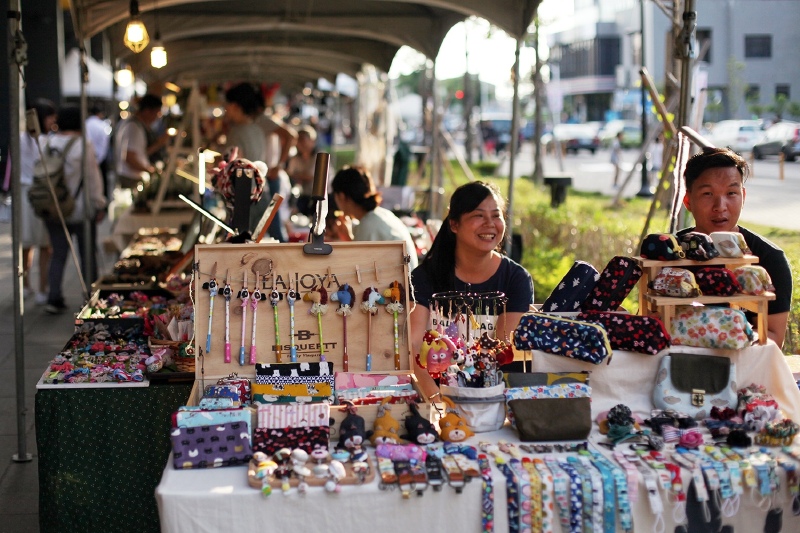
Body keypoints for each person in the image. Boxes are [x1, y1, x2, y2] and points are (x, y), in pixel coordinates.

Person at [409, 181, 534, 398]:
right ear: (454, 224)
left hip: (492, 395)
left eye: (496, 215)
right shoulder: (424, 277)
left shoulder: (516, 279)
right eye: (478, 215)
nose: (490, 224)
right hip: (435, 397)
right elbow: (413, 348)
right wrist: (438, 402)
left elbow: (503, 352)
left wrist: (476, 401)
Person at [678, 146, 793, 348]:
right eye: (707, 194)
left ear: (743, 196)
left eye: (731, 193)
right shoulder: (670, 252)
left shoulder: (769, 258)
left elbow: (773, 337)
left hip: (744, 363)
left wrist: (719, 340)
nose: (720, 206)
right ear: (688, 201)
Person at [42, 106, 107, 314]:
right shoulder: (83, 145)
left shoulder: (48, 143)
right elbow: (93, 178)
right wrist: (99, 203)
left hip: (54, 208)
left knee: (58, 253)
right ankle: (91, 297)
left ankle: (53, 297)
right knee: (87, 254)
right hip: (80, 208)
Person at [329, 166, 419, 270]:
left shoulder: (368, 225)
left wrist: (347, 239)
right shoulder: (382, 214)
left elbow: (357, 270)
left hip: (401, 280)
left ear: (341, 196)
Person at [20, 98, 55, 304]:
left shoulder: (21, 139)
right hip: (41, 195)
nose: (53, 121)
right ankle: (41, 288)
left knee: (28, 244)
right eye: (50, 117)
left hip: (25, 194)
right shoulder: (47, 141)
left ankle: (27, 286)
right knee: (43, 244)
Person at [114, 93, 170, 189]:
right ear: (147, 111)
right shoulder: (133, 127)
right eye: (156, 113)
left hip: (132, 176)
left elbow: (140, 152)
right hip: (131, 178)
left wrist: (159, 144)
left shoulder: (135, 124)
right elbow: (129, 157)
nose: (157, 117)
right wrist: (150, 170)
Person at [286, 125, 318, 215]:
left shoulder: (319, 157)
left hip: (320, 198)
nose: (299, 143)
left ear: (312, 141)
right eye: (297, 140)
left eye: (302, 140)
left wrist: (297, 175)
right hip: (303, 196)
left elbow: (311, 176)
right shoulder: (295, 158)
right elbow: (289, 174)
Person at [85, 102, 112, 199]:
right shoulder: (102, 125)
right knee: (100, 183)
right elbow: (104, 145)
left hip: (88, 158)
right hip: (99, 159)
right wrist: (98, 160)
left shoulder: (86, 124)